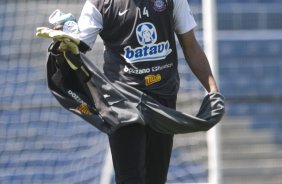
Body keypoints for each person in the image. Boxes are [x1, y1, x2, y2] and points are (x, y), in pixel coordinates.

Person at [38, 0, 220, 183]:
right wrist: (65, 44)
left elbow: (191, 46)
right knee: (130, 178)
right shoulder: (99, 4)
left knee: (155, 179)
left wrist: (213, 90)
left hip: (163, 100)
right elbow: (77, 46)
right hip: (121, 102)